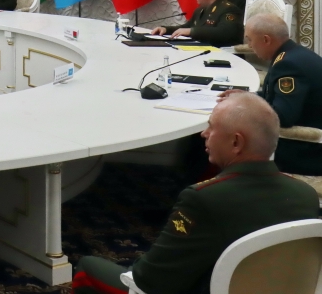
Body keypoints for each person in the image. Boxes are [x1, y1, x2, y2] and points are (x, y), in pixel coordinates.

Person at [72, 93, 318, 294]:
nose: (204, 134)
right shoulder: (305, 195)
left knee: (87, 268)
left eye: (211, 127)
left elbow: (151, 280)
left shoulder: (204, 198)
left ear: (236, 142)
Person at [221, 13, 322, 175]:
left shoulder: (288, 65)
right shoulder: (294, 54)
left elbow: (283, 116)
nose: (249, 46)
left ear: (266, 40)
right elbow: (276, 97)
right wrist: (247, 96)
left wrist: (246, 107)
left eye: (250, 40)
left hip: (307, 150)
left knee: (232, 139)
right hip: (309, 138)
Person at [151, 0, 242, 47]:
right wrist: (166, 29)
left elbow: (225, 32)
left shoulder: (228, 9)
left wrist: (192, 31)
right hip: (203, 52)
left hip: (223, 55)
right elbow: (186, 28)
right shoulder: (200, 10)